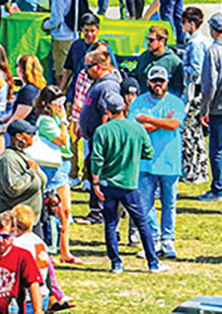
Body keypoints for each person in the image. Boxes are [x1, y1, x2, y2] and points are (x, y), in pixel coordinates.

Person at [91, 95, 169, 273]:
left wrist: (95, 182)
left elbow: (97, 159)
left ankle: (116, 263)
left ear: (107, 111)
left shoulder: (102, 131)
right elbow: (148, 153)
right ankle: (153, 262)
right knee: (142, 222)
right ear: (124, 108)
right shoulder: (137, 128)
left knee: (110, 224)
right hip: (129, 183)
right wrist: (133, 155)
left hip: (108, 184)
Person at [130, 65, 185, 259]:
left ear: (167, 82)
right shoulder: (138, 103)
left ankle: (168, 240)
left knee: (169, 204)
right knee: (145, 204)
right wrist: (160, 122)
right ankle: (152, 240)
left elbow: (174, 124)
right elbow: (137, 129)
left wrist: (148, 120)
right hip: (146, 162)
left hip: (170, 162)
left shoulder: (176, 102)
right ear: (148, 82)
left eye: (161, 81)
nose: (158, 84)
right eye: (154, 81)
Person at [76, 45, 122, 225]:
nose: (85, 71)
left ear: (98, 67)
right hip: (93, 137)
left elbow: (109, 113)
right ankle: (96, 210)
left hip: (101, 140)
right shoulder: (98, 83)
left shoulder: (109, 85)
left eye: (88, 67)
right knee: (92, 169)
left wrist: (102, 138)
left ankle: (101, 212)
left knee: (99, 174)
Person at [34, 86, 78, 265]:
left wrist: (64, 123)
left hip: (63, 165)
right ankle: (50, 248)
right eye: (56, 103)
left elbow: (70, 140)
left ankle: (65, 250)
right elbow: (61, 140)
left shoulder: (58, 119)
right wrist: (63, 122)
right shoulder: (45, 121)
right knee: (53, 210)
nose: (60, 106)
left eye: (62, 102)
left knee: (66, 211)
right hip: (51, 168)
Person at [197, 12, 222, 201]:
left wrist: (204, 110)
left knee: (216, 150)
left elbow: (209, 85)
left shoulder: (213, 51)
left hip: (219, 107)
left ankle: (218, 189)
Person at [42, 0, 85, 85]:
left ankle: (60, 98)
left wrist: (46, 25)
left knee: (60, 72)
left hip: (62, 36)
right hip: (74, 34)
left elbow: (57, 18)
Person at [0, 120, 46, 219]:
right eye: (30, 134)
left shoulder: (23, 154)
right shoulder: (8, 159)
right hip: (14, 221)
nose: (33, 137)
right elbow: (13, 189)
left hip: (29, 218)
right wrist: (30, 172)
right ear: (19, 136)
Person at [180, 6, 209, 184]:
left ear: (191, 24)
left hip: (194, 92)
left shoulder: (195, 43)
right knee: (196, 132)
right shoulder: (203, 41)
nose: (182, 26)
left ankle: (193, 171)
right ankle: (200, 170)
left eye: (184, 23)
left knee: (189, 131)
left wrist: (181, 68)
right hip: (200, 92)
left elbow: (196, 70)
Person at [0, 55, 46, 134]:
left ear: (21, 69)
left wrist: (4, 127)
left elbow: (20, 115)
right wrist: (0, 121)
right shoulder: (35, 88)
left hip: (26, 131)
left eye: (17, 66)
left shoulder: (29, 90)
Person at [134, 26, 184, 97]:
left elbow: (178, 88)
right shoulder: (144, 57)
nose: (148, 43)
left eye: (151, 40)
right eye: (147, 39)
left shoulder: (173, 61)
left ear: (162, 41)